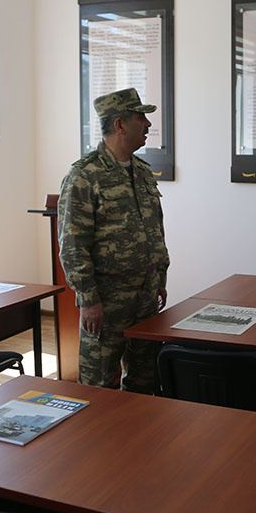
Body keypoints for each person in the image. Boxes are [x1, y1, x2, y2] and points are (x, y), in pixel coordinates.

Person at [57, 88, 169, 392]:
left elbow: (154, 229)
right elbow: (72, 245)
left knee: (146, 382)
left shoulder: (142, 172)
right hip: (107, 303)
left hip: (145, 297)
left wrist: (160, 276)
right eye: (140, 118)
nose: (147, 125)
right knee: (98, 387)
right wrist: (89, 300)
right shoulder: (84, 176)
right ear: (120, 124)